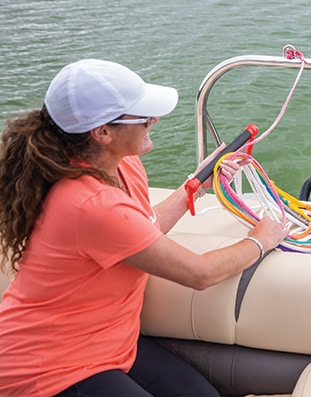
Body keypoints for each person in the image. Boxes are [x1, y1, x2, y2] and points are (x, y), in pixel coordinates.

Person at [0, 59, 288, 397]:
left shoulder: (123, 165)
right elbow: (199, 273)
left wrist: (198, 183)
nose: (154, 120)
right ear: (103, 133)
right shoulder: (87, 203)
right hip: (47, 369)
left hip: (109, 344)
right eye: (143, 116)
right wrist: (260, 240)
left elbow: (141, 228)